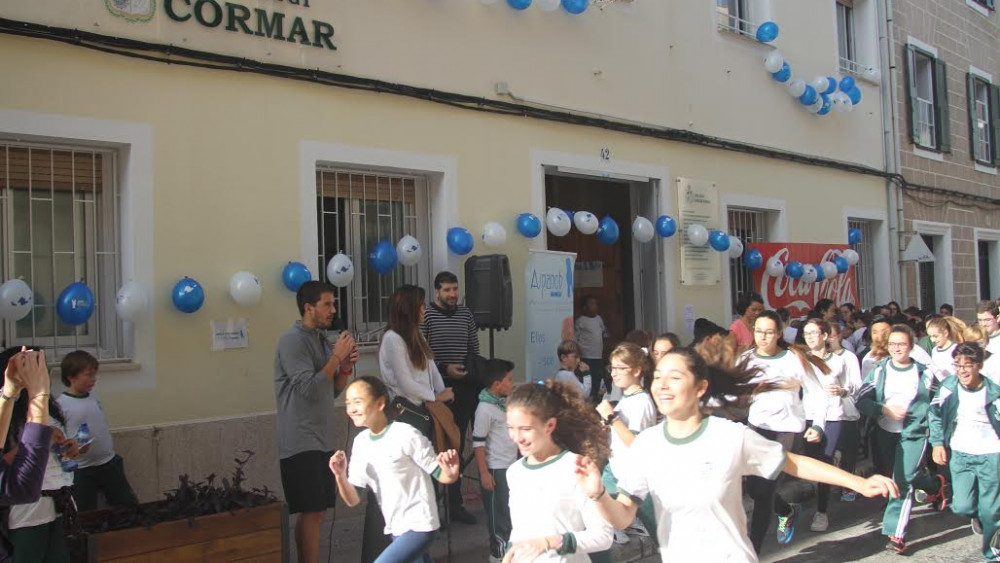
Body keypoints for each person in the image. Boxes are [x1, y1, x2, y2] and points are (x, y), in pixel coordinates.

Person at [573, 335, 899, 563]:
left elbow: (793, 463)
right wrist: (597, 493)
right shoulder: (647, 445)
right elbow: (622, 516)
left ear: (700, 387)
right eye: (658, 377)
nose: (661, 385)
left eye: (674, 377)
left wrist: (858, 482)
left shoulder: (728, 436)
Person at [329, 377, 459, 563]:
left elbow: (440, 473)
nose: (351, 409)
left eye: (358, 402)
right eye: (348, 403)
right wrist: (340, 476)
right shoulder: (360, 443)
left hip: (420, 525)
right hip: (396, 529)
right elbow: (353, 498)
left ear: (380, 403)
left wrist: (451, 471)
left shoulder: (406, 434)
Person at [274, 281, 358, 563]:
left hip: (322, 437)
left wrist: (344, 366)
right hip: (300, 438)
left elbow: (331, 388)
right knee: (310, 511)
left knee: (319, 510)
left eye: (334, 304)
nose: (333, 310)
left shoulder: (321, 338)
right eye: (327, 304)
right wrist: (336, 356)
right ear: (308, 308)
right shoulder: (291, 341)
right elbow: (307, 388)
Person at [741, 311, 831, 551]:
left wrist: (818, 425)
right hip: (756, 429)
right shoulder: (747, 359)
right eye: (759, 331)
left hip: (784, 431)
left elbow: (817, 392)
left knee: (764, 491)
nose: (763, 337)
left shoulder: (794, 359)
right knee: (752, 489)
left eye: (769, 332)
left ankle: (753, 550)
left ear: (778, 334)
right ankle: (786, 510)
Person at [856, 324, 947, 555]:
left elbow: (937, 407)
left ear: (911, 346)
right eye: (892, 344)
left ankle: (895, 533)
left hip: (914, 434)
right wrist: (883, 410)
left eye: (902, 344)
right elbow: (861, 400)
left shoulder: (924, 373)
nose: (897, 348)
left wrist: (937, 440)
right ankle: (935, 485)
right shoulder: (879, 370)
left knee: (902, 481)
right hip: (886, 432)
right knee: (906, 475)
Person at [502, 381, 613, 563]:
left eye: (526, 429)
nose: (517, 438)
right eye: (511, 428)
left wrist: (550, 542)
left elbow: (603, 536)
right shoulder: (514, 472)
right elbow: (519, 531)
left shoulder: (576, 467)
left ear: (550, 425)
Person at [929, 343, 1000, 562]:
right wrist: (937, 443)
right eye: (957, 365)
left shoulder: (994, 392)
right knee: (961, 506)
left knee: (991, 511)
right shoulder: (948, 386)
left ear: (979, 366)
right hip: (960, 453)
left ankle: (991, 552)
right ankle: (980, 516)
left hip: (991, 453)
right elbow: (934, 413)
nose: (962, 370)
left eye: (967, 365)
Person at [422, 271, 481, 525]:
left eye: (455, 289)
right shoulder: (427, 315)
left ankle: (456, 505)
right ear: (437, 292)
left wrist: (469, 369)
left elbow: (474, 349)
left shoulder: (466, 314)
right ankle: (436, 509)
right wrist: (446, 368)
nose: (452, 294)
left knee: (462, 447)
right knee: (443, 447)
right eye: (447, 290)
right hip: (440, 389)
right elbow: (423, 353)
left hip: (466, 388)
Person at [55, 351, 137, 511]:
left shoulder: (93, 396)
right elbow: (61, 442)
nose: (94, 379)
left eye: (94, 375)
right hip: (82, 470)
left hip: (108, 462)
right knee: (85, 513)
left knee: (127, 506)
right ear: (72, 377)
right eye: (88, 375)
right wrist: (76, 448)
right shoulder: (61, 405)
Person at [594, 343, 657, 547]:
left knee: (663, 535)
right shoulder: (626, 398)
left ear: (637, 370)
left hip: (634, 477)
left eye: (620, 368)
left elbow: (636, 443)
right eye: (612, 368)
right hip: (616, 471)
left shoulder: (641, 401)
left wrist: (611, 419)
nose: (614, 373)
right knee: (598, 515)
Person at [5, 389, 78, 563]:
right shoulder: (7, 413)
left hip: (61, 502)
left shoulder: (51, 411)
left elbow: (58, 457)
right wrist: (38, 436)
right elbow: (5, 461)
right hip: (28, 510)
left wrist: (70, 449)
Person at [801, 319, 857, 531]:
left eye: (814, 333)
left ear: (824, 335)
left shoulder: (840, 360)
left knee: (823, 463)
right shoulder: (801, 360)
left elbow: (852, 385)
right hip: (808, 414)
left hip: (833, 416)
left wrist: (843, 391)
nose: (810, 337)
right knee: (812, 463)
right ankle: (834, 459)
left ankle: (821, 512)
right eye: (806, 334)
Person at [473, 359, 517, 563]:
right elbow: (478, 443)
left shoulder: (502, 404)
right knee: (497, 515)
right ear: (497, 384)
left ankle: (510, 550)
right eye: (509, 380)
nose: (512, 383)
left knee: (508, 511)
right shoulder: (484, 408)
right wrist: (484, 473)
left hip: (509, 466)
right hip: (495, 470)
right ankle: (497, 553)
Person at [827, 322, 864, 501]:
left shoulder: (848, 357)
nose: (828, 339)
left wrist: (843, 390)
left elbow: (857, 383)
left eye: (832, 335)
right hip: (826, 411)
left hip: (847, 409)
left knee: (848, 450)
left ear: (839, 336)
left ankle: (849, 484)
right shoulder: (817, 357)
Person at [575, 295, 609, 404]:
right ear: (585, 307)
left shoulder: (598, 319)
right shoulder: (581, 321)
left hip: (598, 356)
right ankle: (588, 400)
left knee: (597, 378)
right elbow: (576, 338)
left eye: (595, 304)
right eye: (591, 304)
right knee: (587, 377)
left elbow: (604, 332)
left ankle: (595, 399)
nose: (595, 306)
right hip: (586, 356)